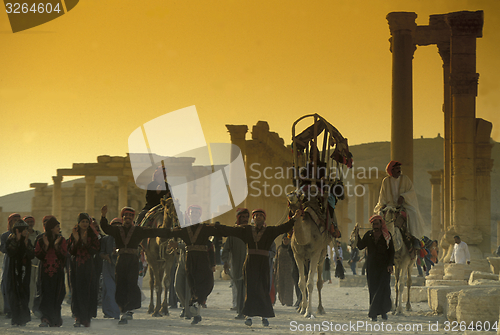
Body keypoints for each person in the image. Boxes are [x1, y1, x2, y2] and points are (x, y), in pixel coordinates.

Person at [218, 208, 302, 327]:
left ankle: (265, 317)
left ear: (264, 218)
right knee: (251, 289)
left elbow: (283, 228)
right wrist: (215, 228)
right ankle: (249, 316)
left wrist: (294, 218)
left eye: (260, 215)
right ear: (253, 219)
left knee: (263, 289)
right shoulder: (246, 230)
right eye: (255, 215)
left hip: (263, 263)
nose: (258, 217)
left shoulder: (270, 231)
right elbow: (231, 230)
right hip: (250, 262)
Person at [99, 205, 170, 325]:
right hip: (121, 260)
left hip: (132, 260)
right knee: (120, 284)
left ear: (132, 218)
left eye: (130, 216)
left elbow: (154, 232)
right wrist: (103, 216)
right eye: (126, 215)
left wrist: (169, 230)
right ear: (123, 217)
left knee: (131, 283)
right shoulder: (117, 230)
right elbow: (106, 228)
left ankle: (129, 310)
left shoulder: (139, 230)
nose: (128, 217)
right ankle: (124, 310)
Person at [164, 205, 217, 325]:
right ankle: (186, 307)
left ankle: (194, 313)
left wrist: (212, 264)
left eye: (196, 213)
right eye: (191, 213)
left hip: (197, 261)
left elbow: (208, 247)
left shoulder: (202, 230)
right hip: (183, 261)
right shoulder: (183, 229)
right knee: (178, 286)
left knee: (194, 290)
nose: (193, 215)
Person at [374, 161, 426, 248]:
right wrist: (383, 205)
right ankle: (377, 240)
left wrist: (403, 197)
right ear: (392, 170)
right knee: (379, 215)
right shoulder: (386, 181)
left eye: (399, 168)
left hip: (403, 206)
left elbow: (411, 192)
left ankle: (414, 238)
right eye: (397, 168)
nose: (399, 170)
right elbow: (382, 196)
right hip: (390, 206)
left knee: (413, 213)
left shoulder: (405, 179)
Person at [355, 215, 395, 322]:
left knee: (384, 289)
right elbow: (360, 246)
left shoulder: (387, 236)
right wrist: (357, 235)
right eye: (373, 224)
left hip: (384, 267)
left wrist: (390, 264)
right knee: (373, 289)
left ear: (381, 224)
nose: (375, 226)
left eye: (377, 224)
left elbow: (391, 251)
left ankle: (383, 312)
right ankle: (374, 314)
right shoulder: (368, 235)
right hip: (371, 267)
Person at [68, 213, 101, 327]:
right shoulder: (74, 234)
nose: (85, 224)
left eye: (87, 222)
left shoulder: (92, 235)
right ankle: (78, 317)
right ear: (79, 222)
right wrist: (76, 241)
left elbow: (95, 250)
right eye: (83, 222)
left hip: (88, 266)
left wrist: (85, 243)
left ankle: (86, 318)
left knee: (88, 290)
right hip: (76, 266)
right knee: (77, 290)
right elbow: (70, 251)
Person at [35, 217, 67, 327]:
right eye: (57, 226)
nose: (59, 228)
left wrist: (57, 245)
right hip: (44, 272)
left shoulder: (61, 240)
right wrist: (47, 245)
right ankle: (45, 319)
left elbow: (63, 255)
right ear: (51, 228)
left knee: (57, 295)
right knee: (45, 294)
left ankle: (55, 319)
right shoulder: (40, 240)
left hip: (57, 272)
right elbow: (38, 255)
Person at [221, 208, 249, 319]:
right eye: (242, 217)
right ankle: (241, 311)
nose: (245, 219)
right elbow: (226, 249)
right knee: (240, 289)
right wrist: (226, 262)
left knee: (249, 289)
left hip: (251, 265)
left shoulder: (252, 231)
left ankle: (249, 311)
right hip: (237, 265)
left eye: (246, 217)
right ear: (238, 218)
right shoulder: (233, 234)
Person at [6, 220, 34, 326]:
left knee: (24, 293)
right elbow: (10, 252)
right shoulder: (11, 240)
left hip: (24, 271)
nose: (27, 231)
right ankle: (16, 318)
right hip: (14, 272)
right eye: (25, 229)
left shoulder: (27, 241)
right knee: (14, 294)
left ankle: (23, 318)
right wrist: (16, 241)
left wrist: (26, 245)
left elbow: (32, 255)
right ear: (19, 230)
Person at [100, 217, 122, 319]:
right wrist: (106, 256)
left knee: (119, 291)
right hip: (108, 267)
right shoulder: (105, 239)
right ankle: (110, 312)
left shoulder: (124, 239)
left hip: (120, 267)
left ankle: (117, 312)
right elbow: (101, 252)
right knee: (109, 289)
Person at [1, 213, 20, 318]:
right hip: (9, 261)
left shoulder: (23, 234)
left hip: (21, 262)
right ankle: (9, 309)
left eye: (18, 220)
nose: (16, 222)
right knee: (7, 284)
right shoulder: (5, 235)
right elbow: (3, 249)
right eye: (14, 220)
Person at [23, 216, 41, 312]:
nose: (30, 224)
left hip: (37, 263)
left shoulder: (38, 234)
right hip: (28, 264)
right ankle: (29, 307)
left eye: (31, 222)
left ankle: (35, 307)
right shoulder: (23, 235)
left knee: (36, 287)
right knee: (30, 286)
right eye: (28, 222)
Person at [274, 236, 294, 306]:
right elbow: (276, 259)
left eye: (287, 239)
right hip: (280, 270)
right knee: (280, 285)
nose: (285, 241)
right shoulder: (279, 248)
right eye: (284, 239)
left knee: (289, 286)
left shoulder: (291, 248)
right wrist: (275, 268)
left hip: (289, 270)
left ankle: (288, 302)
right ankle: (282, 300)